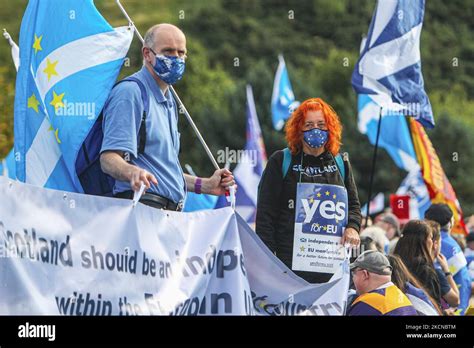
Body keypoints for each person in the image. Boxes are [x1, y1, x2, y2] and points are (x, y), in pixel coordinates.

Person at [100, 24, 234, 210]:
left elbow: (164, 172)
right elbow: (108, 159)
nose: (176, 58)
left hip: (168, 215)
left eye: (181, 53)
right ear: (147, 54)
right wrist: (131, 172)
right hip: (143, 208)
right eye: (168, 51)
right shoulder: (130, 93)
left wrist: (205, 185)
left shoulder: (169, 100)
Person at [256, 98, 361, 283]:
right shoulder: (280, 160)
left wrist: (353, 227)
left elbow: (353, 205)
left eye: (321, 124)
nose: (316, 130)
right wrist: (268, 260)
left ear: (330, 128)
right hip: (288, 268)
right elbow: (266, 215)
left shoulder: (341, 162)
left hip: (331, 268)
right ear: (299, 129)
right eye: (309, 125)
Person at [425, 204, 472, 314]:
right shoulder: (450, 242)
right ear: (450, 222)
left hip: (449, 306)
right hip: (458, 302)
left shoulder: (434, 241)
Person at [347, 250, 418, 316]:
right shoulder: (403, 298)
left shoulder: (367, 304)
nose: (353, 278)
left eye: (354, 273)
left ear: (365, 274)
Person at [393, 220, 443, 309]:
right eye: (431, 238)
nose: (432, 242)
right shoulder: (426, 272)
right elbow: (433, 308)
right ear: (422, 241)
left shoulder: (393, 265)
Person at [426, 219, 460, 310]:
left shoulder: (408, 263)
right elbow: (455, 301)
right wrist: (447, 271)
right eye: (441, 242)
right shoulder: (435, 272)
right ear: (436, 244)